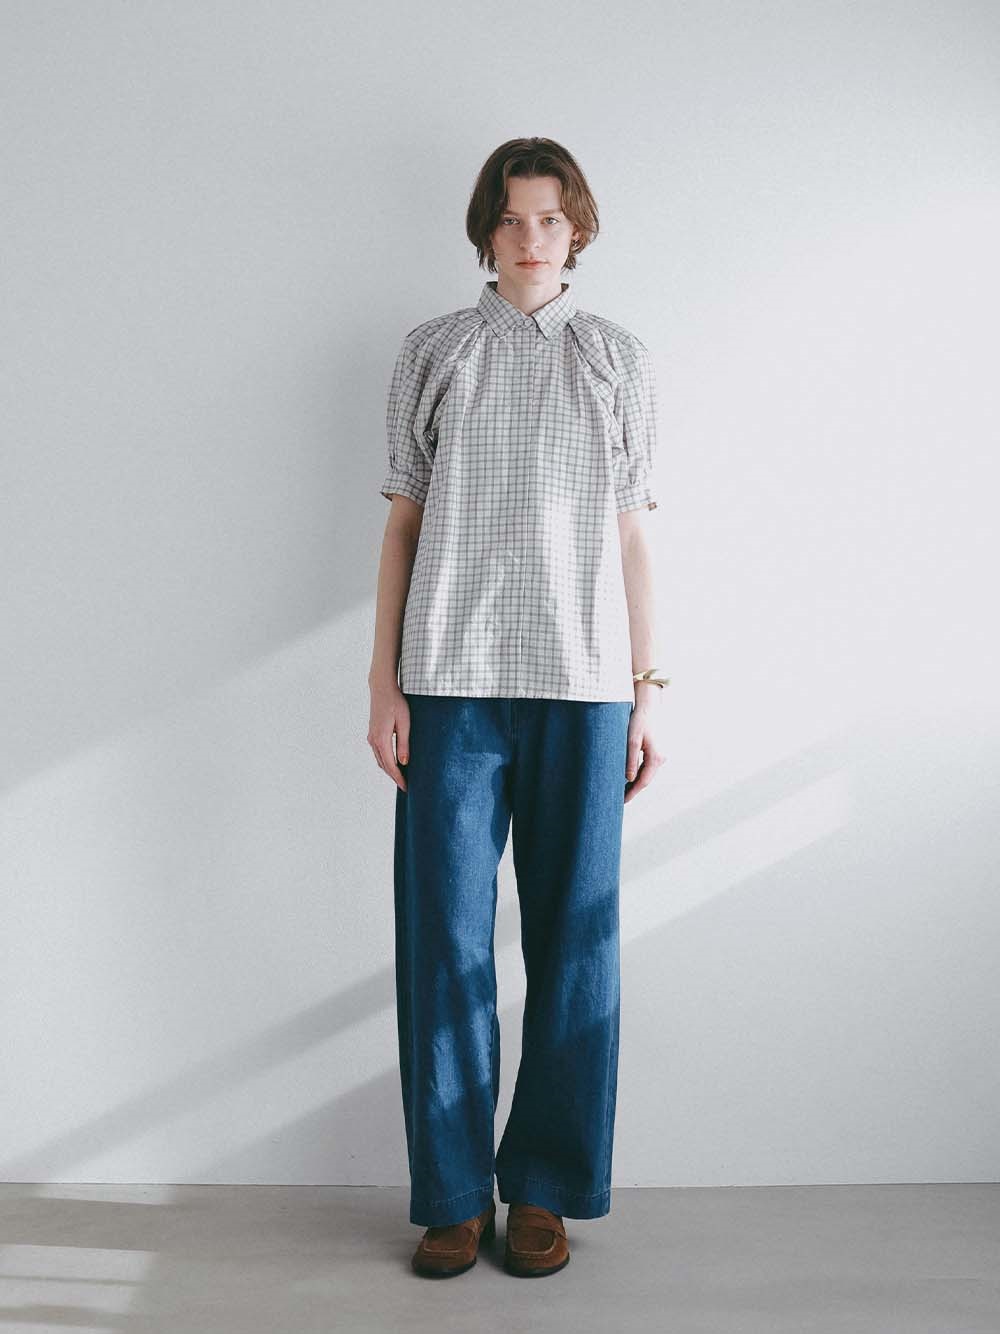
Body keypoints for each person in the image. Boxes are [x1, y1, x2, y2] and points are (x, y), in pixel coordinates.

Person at [367, 137, 667, 1279]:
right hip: (449, 681)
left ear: (575, 229)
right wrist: (383, 681)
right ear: (485, 230)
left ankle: (543, 1186)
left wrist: (646, 689)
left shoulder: (617, 358)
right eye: (511, 218)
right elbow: (403, 523)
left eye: (549, 218)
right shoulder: (435, 350)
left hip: (584, 686)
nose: (530, 238)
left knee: (575, 941)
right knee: (444, 939)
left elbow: (633, 536)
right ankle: (451, 1194)